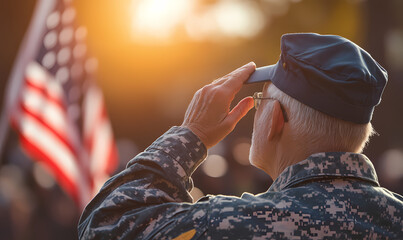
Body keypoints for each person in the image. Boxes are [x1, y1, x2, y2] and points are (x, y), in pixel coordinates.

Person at [78, 33, 403, 239]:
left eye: (260, 101)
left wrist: (192, 134)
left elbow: (106, 224)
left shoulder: (232, 224)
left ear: (276, 119)